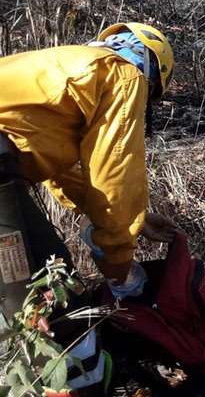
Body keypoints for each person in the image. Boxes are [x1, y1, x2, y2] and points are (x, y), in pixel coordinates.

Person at [0, 22, 177, 319]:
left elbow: (62, 173)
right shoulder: (122, 74)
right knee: (37, 304)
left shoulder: (68, 64)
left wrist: (138, 219)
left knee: (50, 274)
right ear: (152, 73)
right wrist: (120, 271)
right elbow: (114, 180)